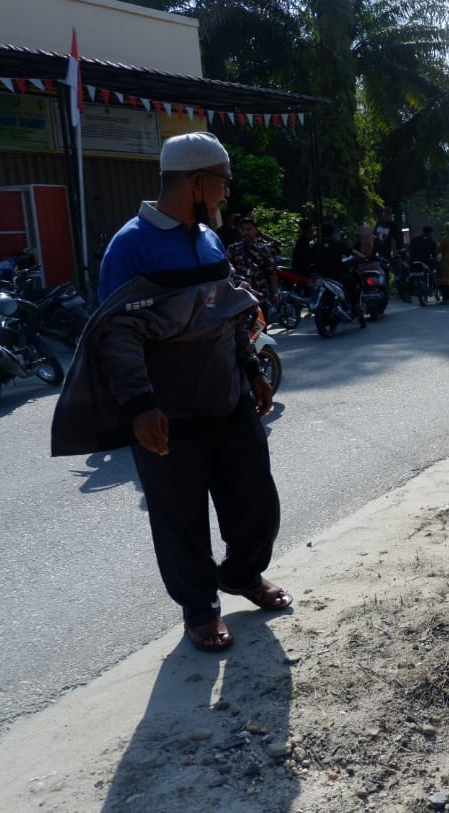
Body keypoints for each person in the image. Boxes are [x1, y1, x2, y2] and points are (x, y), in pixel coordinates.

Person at [50, 132, 290, 653]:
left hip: (228, 400)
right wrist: (140, 406)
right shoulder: (130, 246)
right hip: (168, 415)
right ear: (197, 182)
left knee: (257, 504)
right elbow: (117, 333)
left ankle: (242, 575)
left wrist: (252, 369)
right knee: (180, 521)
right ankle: (200, 610)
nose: (227, 192)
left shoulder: (208, 239)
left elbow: (229, 312)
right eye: (223, 181)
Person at [227, 217, 280, 306]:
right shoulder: (233, 249)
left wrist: (275, 294)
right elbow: (227, 271)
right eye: (243, 229)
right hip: (240, 297)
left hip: (260, 296)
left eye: (249, 229)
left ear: (256, 230)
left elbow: (272, 272)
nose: (246, 232)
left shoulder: (264, 250)